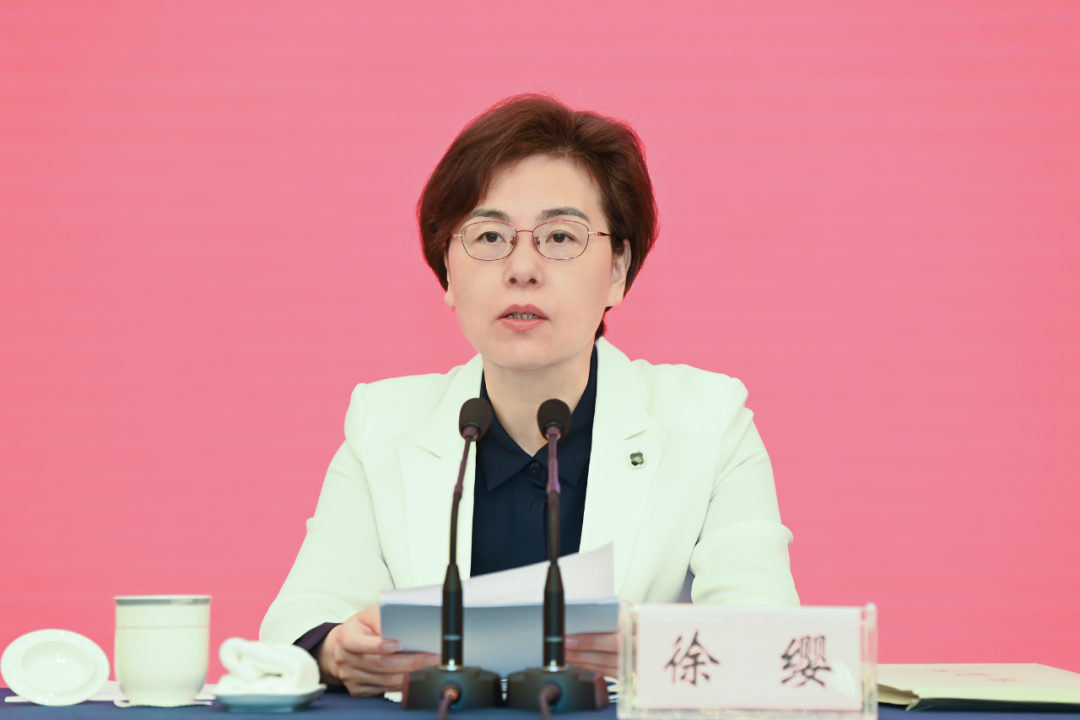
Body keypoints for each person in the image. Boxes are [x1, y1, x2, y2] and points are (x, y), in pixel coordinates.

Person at [259, 94, 799, 696]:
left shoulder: (706, 420)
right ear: (448, 271)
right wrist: (336, 651)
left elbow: (771, 635)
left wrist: (652, 650)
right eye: (489, 236)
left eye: (560, 236)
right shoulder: (384, 422)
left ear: (617, 269)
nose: (521, 268)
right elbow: (302, 615)